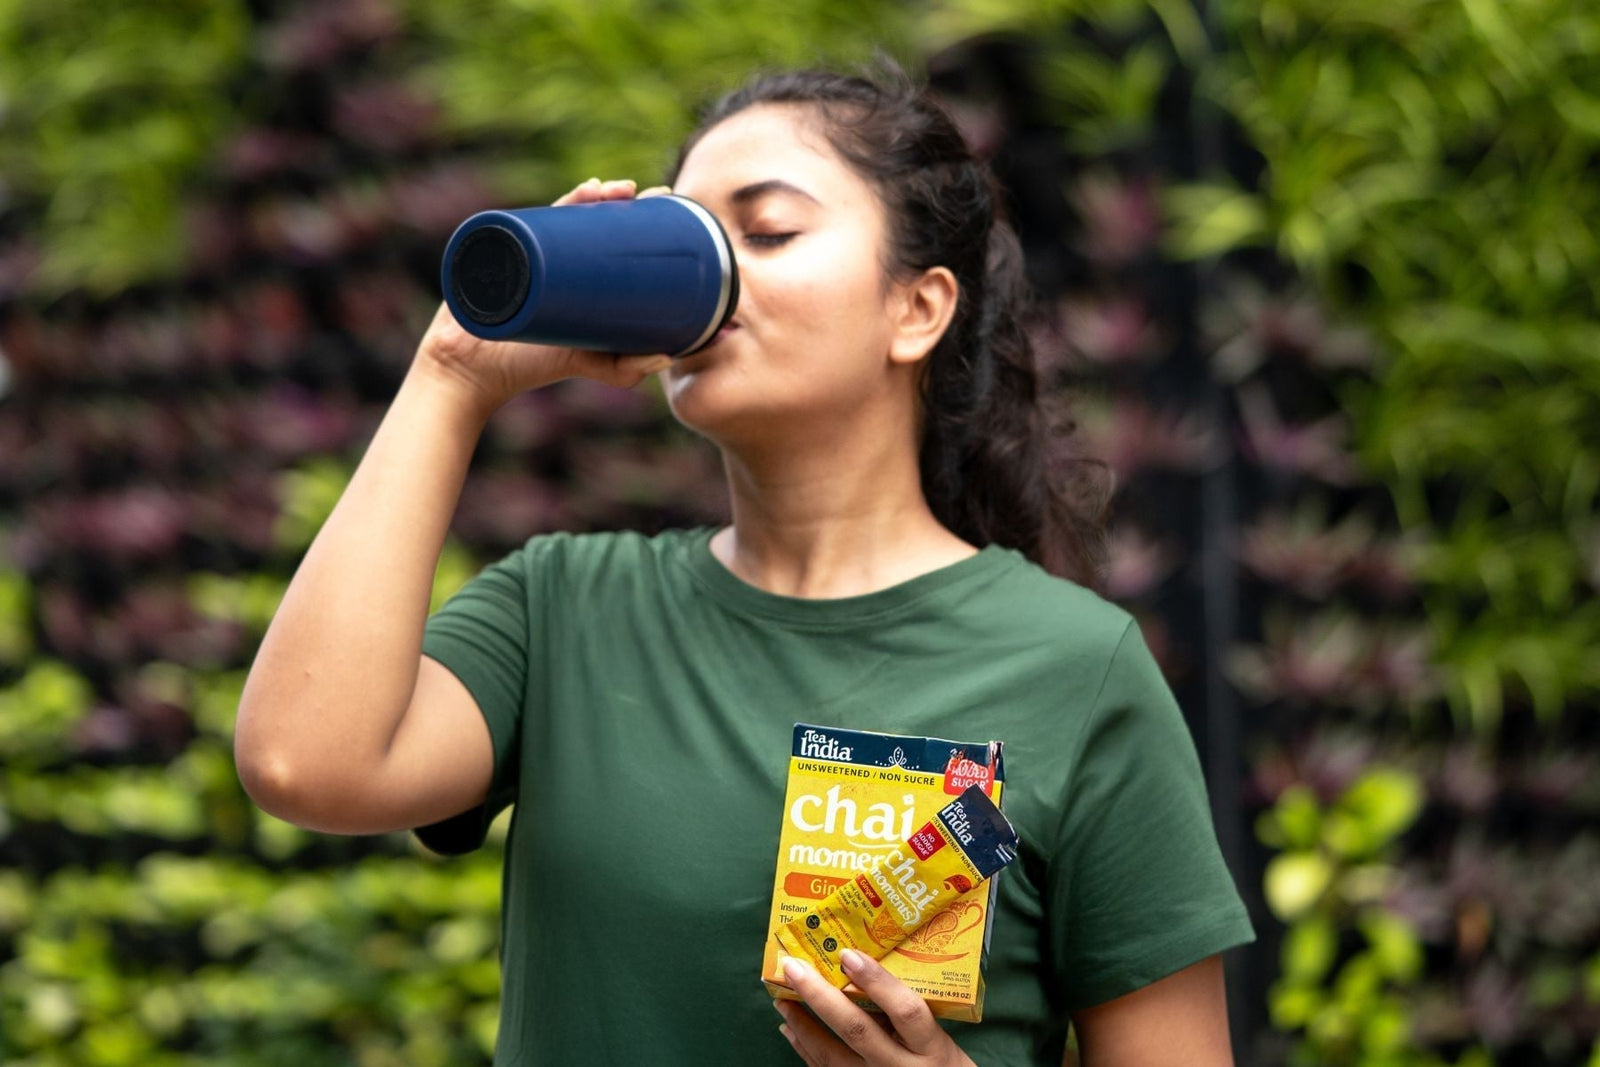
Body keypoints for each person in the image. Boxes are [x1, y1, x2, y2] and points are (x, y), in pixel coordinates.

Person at [234, 61, 1254, 1067]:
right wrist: (453, 373)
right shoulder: (561, 609)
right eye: (686, 238)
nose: (713, 276)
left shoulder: (1073, 665)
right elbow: (303, 762)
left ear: (918, 309)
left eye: (766, 232)